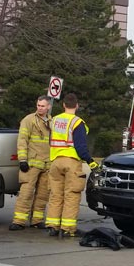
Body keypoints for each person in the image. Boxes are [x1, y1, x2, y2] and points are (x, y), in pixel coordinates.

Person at [46, 93, 100, 237]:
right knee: (72, 195)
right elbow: (81, 147)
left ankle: (53, 226)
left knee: (55, 195)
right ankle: (67, 228)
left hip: (55, 161)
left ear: (63, 105)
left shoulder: (54, 120)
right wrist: (91, 162)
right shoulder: (77, 123)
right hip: (71, 162)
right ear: (77, 106)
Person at [9, 95, 53, 231]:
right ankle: (19, 221)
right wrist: (23, 160)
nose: (40, 108)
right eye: (38, 105)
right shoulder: (29, 120)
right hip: (31, 164)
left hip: (47, 164)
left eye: (43, 106)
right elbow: (22, 140)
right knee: (26, 193)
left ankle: (37, 220)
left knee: (42, 195)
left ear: (49, 107)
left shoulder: (52, 122)